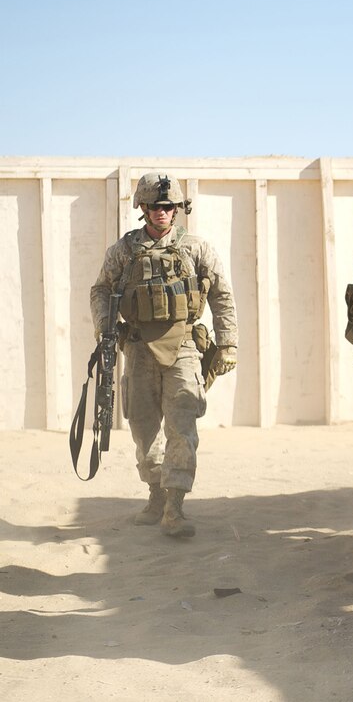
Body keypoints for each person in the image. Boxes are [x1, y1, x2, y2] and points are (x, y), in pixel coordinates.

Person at [90, 172, 237, 538]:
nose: (162, 213)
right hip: (138, 347)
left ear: (178, 209)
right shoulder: (123, 251)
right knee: (142, 427)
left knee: (182, 425)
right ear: (142, 207)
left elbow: (221, 294)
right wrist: (105, 329)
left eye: (168, 206)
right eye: (155, 206)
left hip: (184, 346)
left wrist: (228, 342)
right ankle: (156, 490)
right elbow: (100, 290)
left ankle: (175, 506)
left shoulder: (196, 248)